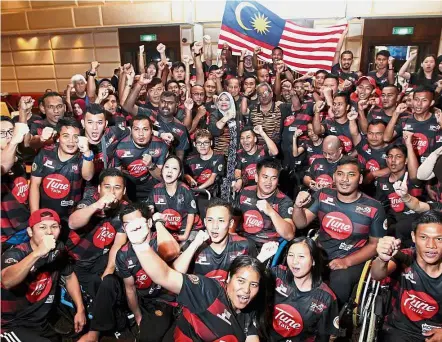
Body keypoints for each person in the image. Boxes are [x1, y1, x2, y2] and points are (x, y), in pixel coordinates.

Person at [124, 213, 272, 341]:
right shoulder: (208, 291)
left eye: (253, 285)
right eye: (241, 281)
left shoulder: (250, 311)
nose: (246, 290)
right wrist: (140, 246)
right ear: (228, 278)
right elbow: (165, 276)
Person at [293, 156, 387, 306]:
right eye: (340, 174)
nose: (344, 179)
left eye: (351, 175)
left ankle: (332, 322)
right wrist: (298, 207)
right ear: (334, 177)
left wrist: (346, 261)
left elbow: (375, 245)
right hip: (320, 253)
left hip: (351, 258)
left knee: (340, 281)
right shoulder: (323, 195)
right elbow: (300, 223)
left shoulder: (374, 208)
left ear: (360, 179)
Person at [78, 203, 177, 342]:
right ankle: (94, 333)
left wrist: (158, 222)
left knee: (150, 337)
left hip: (159, 298)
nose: (134, 227)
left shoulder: (160, 241)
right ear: (124, 228)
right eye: (128, 224)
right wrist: (138, 316)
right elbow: (129, 288)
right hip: (137, 295)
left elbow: (172, 251)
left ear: (148, 222)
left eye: (137, 222)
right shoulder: (124, 254)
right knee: (108, 282)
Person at [1, 209, 86, 341]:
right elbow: (7, 280)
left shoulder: (59, 249)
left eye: (54, 226)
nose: (49, 232)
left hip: (40, 323)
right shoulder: (16, 253)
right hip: (11, 325)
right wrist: (37, 253)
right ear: (30, 232)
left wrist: (80, 309)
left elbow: (69, 276)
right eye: (42, 227)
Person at [371, 211, 442, 342]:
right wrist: (382, 259)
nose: (431, 246)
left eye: (439, 239)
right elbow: (377, 274)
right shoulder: (405, 257)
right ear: (413, 237)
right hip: (400, 331)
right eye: (424, 237)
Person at [67, 168, 128, 298]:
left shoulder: (125, 209)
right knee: (98, 291)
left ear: (124, 191)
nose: (112, 192)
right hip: (78, 260)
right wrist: (98, 205)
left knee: (115, 286)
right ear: (99, 189)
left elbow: (118, 245)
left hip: (102, 259)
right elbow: (72, 222)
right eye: (107, 187)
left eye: (117, 188)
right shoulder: (89, 201)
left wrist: (109, 271)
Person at [173, 198, 259, 282]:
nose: (215, 226)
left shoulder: (244, 246)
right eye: (210, 220)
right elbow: (174, 276)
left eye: (221, 220)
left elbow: (253, 277)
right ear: (205, 222)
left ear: (230, 223)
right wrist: (194, 245)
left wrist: (260, 259)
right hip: (201, 295)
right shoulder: (194, 246)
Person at [270, 237, 340, 341]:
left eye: (301, 256)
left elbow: (325, 336)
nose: (294, 262)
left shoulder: (325, 298)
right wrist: (261, 259)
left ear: (313, 261)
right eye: (291, 255)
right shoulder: (277, 275)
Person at [29, 118, 94, 227]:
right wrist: (35, 216)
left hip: (70, 216)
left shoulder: (84, 156)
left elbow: (88, 176)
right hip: (45, 215)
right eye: (66, 136)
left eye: (75, 137)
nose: (71, 141)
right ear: (58, 138)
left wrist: (87, 153)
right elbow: (34, 185)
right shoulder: (45, 154)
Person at [123, 75, 190, 160]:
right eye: (163, 102)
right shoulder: (149, 114)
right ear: (159, 103)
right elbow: (127, 107)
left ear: (177, 105)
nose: (165, 105)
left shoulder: (181, 128)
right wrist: (139, 84)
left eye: (170, 103)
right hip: (142, 163)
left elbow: (179, 157)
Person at [238, 158, 295, 247]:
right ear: (256, 177)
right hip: (243, 243)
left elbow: (289, 235)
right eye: (265, 177)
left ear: (278, 180)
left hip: (266, 247)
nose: (268, 182)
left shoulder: (284, 201)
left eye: (273, 178)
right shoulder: (246, 192)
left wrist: (271, 212)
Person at [147, 155, 202, 242]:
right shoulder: (156, 189)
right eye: (167, 167)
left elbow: (191, 214)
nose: (169, 171)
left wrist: (185, 236)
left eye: (174, 169)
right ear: (162, 170)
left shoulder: (185, 190)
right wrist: (150, 212)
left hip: (189, 229)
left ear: (179, 174)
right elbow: (150, 209)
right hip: (169, 229)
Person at [375, 143, 421, 246]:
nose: (393, 160)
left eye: (398, 157)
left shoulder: (412, 178)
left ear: (406, 160)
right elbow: (380, 205)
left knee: (400, 227)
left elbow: (416, 178)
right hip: (394, 220)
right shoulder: (382, 181)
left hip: (413, 220)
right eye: (390, 156)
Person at [114, 115, 168, 201]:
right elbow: (116, 178)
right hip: (129, 188)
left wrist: (151, 165)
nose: (141, 134)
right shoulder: (120, 147)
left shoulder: (161, 146)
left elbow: (162, 178)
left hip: (153, 187)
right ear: (131, 131)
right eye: (136, 129)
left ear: (151, 131)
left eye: (145, 129)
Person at [384, 86, 439, 164]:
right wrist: (395, 114)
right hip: (408, 168)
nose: (419, 104)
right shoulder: (404, 120)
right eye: (416, 99)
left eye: (424, 100)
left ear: (431, 103)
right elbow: (386, 138)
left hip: (430, 169)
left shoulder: (438, 121)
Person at [81, 103, 129, 189]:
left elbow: (134, 130)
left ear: (105, 124)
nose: (94, 128)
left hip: (109, 186)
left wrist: (160, 133)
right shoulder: (74, 142)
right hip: (84, 189)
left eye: (99, 123)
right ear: (83, 123)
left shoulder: (113, 133)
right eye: (90, 122)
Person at [1, 116, 31, 246]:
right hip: (5, 235)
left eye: (11, 132)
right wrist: (14, 141)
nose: (8, 136)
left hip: (25, 226)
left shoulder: (19, 160)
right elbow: (3, 166)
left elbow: (30, 143)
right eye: (2, 133)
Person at [209, 91, 244, 201]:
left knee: (234, 187)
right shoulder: (215, 114)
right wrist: (226, 118)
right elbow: (214, 131)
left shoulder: (237, 114)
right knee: (220, 187)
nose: (224, 102)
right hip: (220, 157)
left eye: (227, 99)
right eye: (221, 99)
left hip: (235, 155)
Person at [234, 125, 278, 191]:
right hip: (247, 190)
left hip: (265, 189)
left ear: (255, 139)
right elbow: (237, 170)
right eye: (242, 138)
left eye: (248, 137)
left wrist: (262, 133)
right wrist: (238, 180)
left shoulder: (263, 150)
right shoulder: (240, 153)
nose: (245, 141)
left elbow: (275, 152)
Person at [184, 129, 225, 195]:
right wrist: (189, 178)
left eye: (206, 142)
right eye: (199, 143)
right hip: (193, 192)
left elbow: (212, 180)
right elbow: (182, 173)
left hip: (211, 194)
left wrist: (197, 190)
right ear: (194, 144)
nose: (202, 146)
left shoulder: (219, 157)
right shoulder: (190, 160)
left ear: (211, 143)